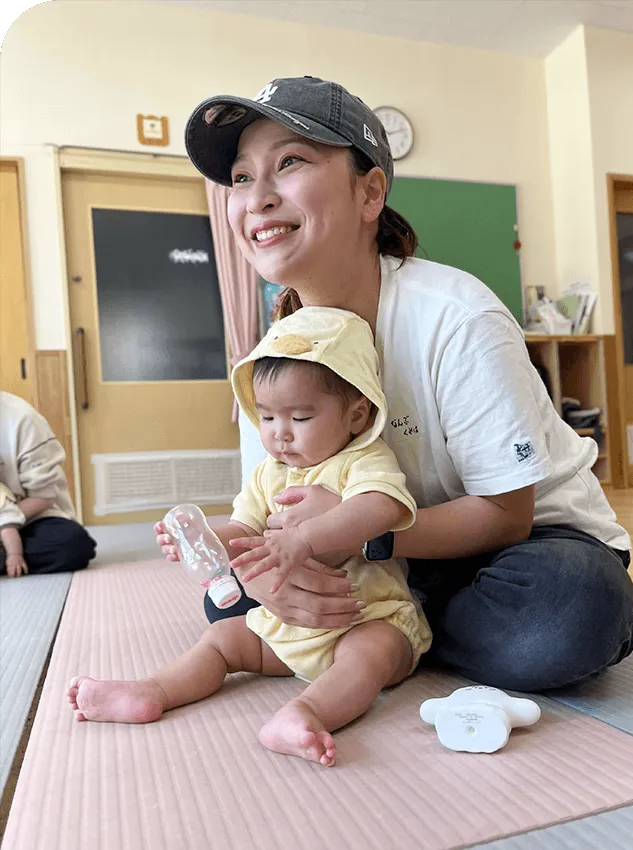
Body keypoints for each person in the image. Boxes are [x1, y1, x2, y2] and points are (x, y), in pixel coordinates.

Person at [176, 75, 633, 693]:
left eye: (289, 162)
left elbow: (506, 515)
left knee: (568, 609)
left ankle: (385, 634)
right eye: (239, 177)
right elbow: (266, 509)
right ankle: (387, 631)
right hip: (383, 560)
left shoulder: (456, 315)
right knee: (229, 599)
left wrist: (355, 534)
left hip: (516, 543)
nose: (255, 197)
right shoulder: (276, 348)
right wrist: (271, 577)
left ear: (370, 194)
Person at [67, 307, 431, 767]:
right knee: (222, 638)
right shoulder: (268, 474)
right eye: (267, 417)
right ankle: (152, 690)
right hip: (284, 626)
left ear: (356, 415)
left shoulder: (363, 460)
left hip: (365, 618)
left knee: (372, 654)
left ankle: (305, 714)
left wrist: (305, 538)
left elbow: (382, 507)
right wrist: (200, 538)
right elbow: (243, 530)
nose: (279, 435)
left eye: (300, 418)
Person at [0, 391, 96, 576]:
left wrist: (6, 519)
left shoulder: (22, 420)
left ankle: (12, 555)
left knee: (72, 545)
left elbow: (43, 497)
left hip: (32, 517)